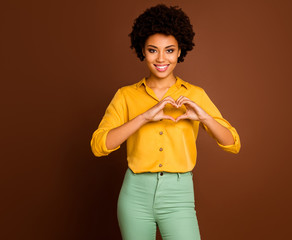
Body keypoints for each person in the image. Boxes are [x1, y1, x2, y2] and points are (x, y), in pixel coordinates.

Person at [90, 4, 240, 240]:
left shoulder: (196, 95)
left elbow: (233, 143)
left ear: (180, 51)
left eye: (169, 50)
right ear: (143, 50)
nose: (161, 58)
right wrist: (143, 118)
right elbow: (99, 146)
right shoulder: (126, 96)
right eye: (153, 50)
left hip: (179, 195)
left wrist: (205, 117)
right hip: (135, 195)